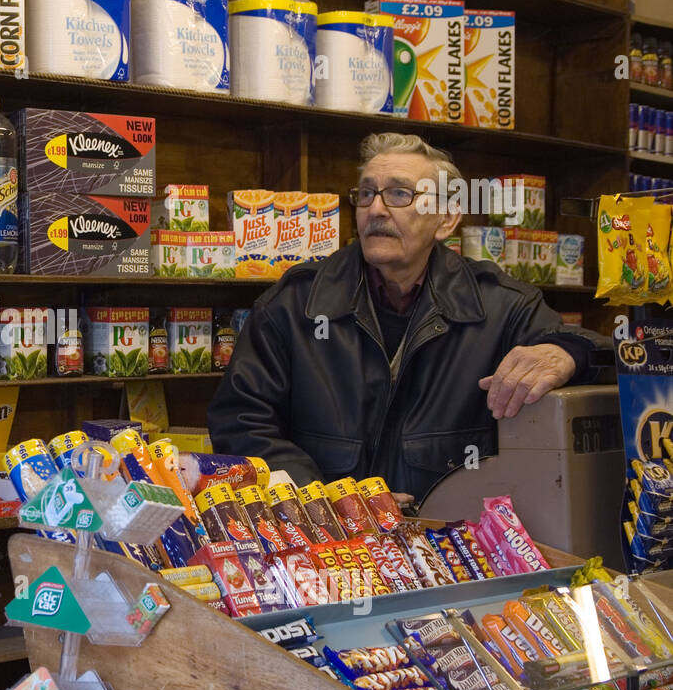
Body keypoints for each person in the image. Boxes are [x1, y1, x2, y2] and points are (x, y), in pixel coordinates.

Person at [207, 133, 596, 505]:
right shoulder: (294, 304)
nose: (376, 209)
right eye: (366, 193)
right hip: (326, 540)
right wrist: (327, 499)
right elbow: (242, 425)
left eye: (399, 193)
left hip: (453, 540)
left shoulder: (500, 306)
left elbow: (608, 362)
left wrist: (568, 354)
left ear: (446, 219)